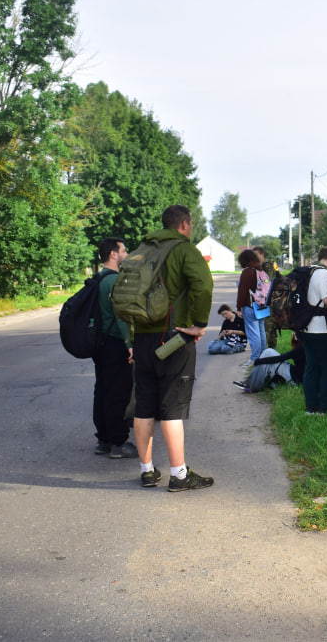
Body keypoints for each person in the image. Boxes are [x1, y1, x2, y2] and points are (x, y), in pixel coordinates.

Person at [129, 205, 215, 492]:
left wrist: (133, 337)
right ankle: (179, 475)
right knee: (172, 407)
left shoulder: (141, 249)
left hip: (142, 336)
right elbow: (203, 286)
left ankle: (146, 470)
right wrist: (199, 324)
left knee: (144, 405)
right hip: (173, 337)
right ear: (185, 225)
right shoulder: (184, 250)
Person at [92, 236, 136, 459]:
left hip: (100, 343)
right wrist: (129, 345)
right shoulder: (115, 281)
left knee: (102, 390)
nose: (126, 255)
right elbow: (122, 316)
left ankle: (103, 440)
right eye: (123, 251)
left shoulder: (98, 278)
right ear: (113, 254)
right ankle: (119, 443)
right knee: (118, 393)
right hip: (115, 342)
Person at [301, 246, 327, 415]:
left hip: (307, 327)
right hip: (322, 329)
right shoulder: (324, 274)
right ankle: (325, 406)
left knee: (311, 367)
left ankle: (311, 406)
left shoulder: (310, 271)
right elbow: (326, 300)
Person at [236, 249, 270, 364]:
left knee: (253, 333)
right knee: (261, 331)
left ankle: (255, 358)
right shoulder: (260, 270)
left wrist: (239, 307)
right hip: (262, 304)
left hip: (251, 305)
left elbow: (243, 291)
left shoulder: (247, 271)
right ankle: (263, 356)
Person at [253, 245, 282, 350]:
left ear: (262, 255)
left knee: (267, 327)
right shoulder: (261, 267)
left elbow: (267, 282)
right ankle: (271, 351)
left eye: (256, 255)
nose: (254, 258)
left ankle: (265, 352)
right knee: (270, 327)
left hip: (268, 301)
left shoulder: (266, 266)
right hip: (269, 301)